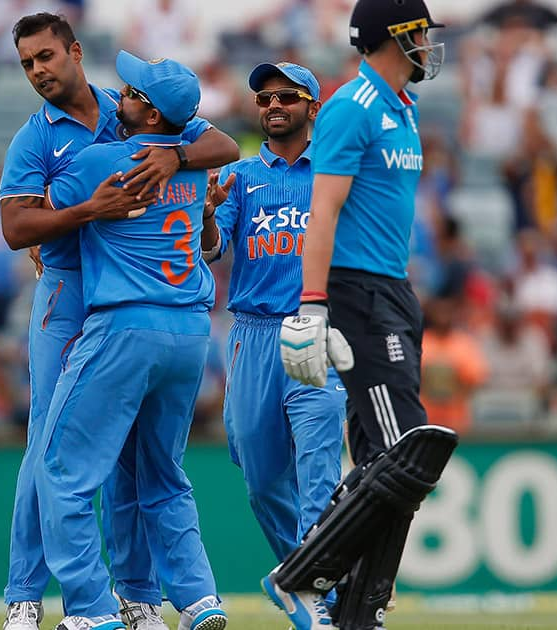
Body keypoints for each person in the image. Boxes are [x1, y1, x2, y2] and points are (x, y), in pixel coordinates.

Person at [0, 13, 239, 630]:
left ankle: (134, 596)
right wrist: (82, 213)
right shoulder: (35, 137)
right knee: (46, 447)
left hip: (121, 301)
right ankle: (24, 596)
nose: (38, 71)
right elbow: (16, 228)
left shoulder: (126, 110)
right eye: (27, 63)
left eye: (46, 56)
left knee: (123, 456)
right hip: (72, 293)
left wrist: (174, 157)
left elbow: (223, 145)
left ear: (75, 52)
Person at [270, 1, 459, 629]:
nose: (428, 43)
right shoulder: (353, 106)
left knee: (391, 458)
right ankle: (301, 577)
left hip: (393, 289)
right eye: (419, 32)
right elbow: (322, 212)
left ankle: (360, 607)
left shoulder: (401, 109)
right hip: (355, 293)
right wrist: (313, 304)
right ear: (393, 36)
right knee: (408, 451)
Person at [201, 61, 347, 565]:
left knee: (318, 471)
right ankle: (317, 574)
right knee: (261, 480)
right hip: (253, 335)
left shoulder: (335, 172)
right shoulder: (238, 178)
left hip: (314, 327)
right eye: (265, 99)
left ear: (313, 105)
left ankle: (325, 596)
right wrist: (204, 214)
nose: (274, 106)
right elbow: (212, 249)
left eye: (286, 96)